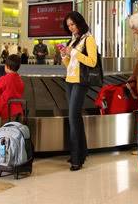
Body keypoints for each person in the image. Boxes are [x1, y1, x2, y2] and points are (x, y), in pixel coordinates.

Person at [59, 12, 98, 171]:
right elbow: (70, 66)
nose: (71, 28)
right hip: (70, 81)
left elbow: (92, 62)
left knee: (73, 117)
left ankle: (76, 158)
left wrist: (73, 52)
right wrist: (64, 56)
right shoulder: (73, 40)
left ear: (80, 23)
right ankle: (81, 153)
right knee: (75, 117)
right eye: (68, 26)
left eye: (73, 25)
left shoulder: (89, 39)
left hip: (81, 82)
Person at [0, 54, 25, 121]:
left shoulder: (4, 79)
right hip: (19, 111)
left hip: (7, 112)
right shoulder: (20, 80)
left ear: (7, 66)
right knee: (17, 131)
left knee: (6, 130)